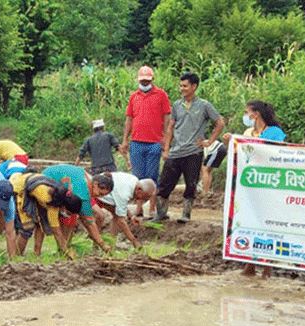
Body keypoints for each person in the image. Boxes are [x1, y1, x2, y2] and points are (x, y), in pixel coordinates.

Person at [154, 72, 225, 224]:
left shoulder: (204, 105)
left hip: (193, 152)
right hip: (175, 151)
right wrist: (166, 148)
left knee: (190, 184)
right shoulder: (177, 105)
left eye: (185, 86)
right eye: (180, 86)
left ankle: (186, 214)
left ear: (194, 86)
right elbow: (171, 127)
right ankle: (161, 213)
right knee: (164, 184)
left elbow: (220, 122)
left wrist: (210, 141)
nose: (182, 89)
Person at [214, 100, 286, 194]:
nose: (245, 116)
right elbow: (239, 154)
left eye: (246, 112)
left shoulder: (275, 133)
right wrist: (229, 143)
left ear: (256, 114)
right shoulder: (248, 132)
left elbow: (281, 153)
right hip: (249, 176)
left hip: (267, 177)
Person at [120, 66, 170, 196]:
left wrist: (165, 138)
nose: (144, 83)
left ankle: (152, 208)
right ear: (138, 80)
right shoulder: (134, 97)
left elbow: (167, 117)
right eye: (142, 80)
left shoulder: (161, 95)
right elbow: (129, 119)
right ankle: (139, 208)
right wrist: (125, 140)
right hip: (136, 142)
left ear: (152, 79)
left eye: (147, 80)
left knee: (152, 176)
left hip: (154, 142)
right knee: (137, 177)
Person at [9, 171, 83, 259]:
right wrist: (67, 251)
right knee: (27, 228)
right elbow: (57, 232)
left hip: (32, 189)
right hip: (19, 189)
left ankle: (37, 254)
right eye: (68, 213)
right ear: (64, 206)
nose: (67, 215)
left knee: (41, 223)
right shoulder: (50, 201)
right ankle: (15, 258)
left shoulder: (58, 196)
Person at [42, 164, 113, 254]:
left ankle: (64, 248)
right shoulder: (82, 192)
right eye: (100, 194)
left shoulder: (87, 179)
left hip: (56, 183)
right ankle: (62, 250)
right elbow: (88, 221)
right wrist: (103, 245)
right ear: (95, 184)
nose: (99, 197)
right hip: (45, 184)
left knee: (72, 218)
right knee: (63, 219)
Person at [97, 173, 157, 249]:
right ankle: (98, 244)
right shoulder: (125, 192)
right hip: (98, 191)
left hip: (107, 192)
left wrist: (131, 217)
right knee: (100, 216)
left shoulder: (134, 180)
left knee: (116, 215)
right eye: (145, 197)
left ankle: (111, 243)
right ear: (139, 190)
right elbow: (121, 220)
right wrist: (134, 241)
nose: (143, 200)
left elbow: (121, 205)